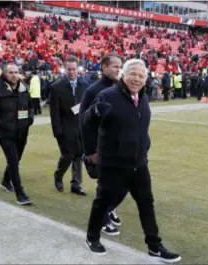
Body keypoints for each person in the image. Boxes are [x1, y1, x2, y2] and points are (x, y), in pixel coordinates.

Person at [82, 59, 181, 263]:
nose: (137, 78)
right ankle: (92, 237)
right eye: (132, 74)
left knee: (146, 203)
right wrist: (91, 152)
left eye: (141, 75)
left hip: (138, 163)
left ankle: (154, 246)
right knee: (103, 201)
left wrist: (144, 147)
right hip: (113, 163)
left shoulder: (143, 98)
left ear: (146, 78)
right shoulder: (107, 96)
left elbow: (140, 128)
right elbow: (86, 122)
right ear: (123, 75)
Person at [79, 53, 126, 236]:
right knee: (106, 185)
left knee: (123, 183)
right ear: (104, 67)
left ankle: (108, 209)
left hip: (119, 145)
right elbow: (84, 121)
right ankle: (103, 218)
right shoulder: (93, 90)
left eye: (120, 66)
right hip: (101, 146)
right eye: (115, 66)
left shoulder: (121, 88)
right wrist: (90, 151)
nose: (118, 69)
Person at [0, 64, 34, 205]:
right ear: (4, 74)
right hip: (5, 134)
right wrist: (1, 124)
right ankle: (20, 193)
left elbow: (30, 108)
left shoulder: (24, 90)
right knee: (12, 161)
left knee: (16, 159)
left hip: (22, 131)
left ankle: (6, 181)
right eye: (10, 72)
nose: (14, 75)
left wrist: (29, 120)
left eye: (16, 72)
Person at [49, 55, 89, 196]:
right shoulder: (56, 87)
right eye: (69, 69)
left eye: (73, 69)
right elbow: (54, 113)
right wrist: (57, 131)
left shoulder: (85, 85)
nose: (71, 72)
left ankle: (76, 184)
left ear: (78, 69)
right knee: (67, 155)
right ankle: (58, 175)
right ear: (64, 70)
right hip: (65, 127)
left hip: (81, 127)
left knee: (78, 155)